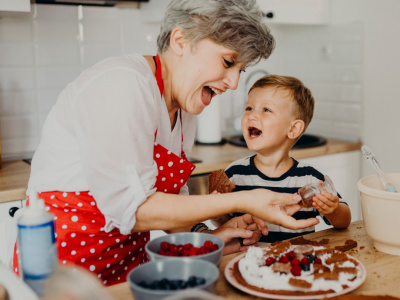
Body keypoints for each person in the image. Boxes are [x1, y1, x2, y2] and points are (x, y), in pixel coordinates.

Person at [13, 0, 319, 286]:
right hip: (65, 273)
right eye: (227, 62)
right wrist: (242, 199)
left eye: (240, 70)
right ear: (180, 40)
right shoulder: (124, 85)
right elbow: (135, 210)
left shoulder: (183, 107)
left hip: (129, 266)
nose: (234, 83)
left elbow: (169, 203)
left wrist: (209, 238)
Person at [217, 74, 352, 243]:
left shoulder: (309, 178)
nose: (252, 116)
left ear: (293, 129)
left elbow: (344, 221)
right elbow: (223, 225)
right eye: (249, 108)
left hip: (297, 264)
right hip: (248, 264)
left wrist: (333, 210)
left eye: (266, 110)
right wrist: (218, 211)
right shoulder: (234, 174)